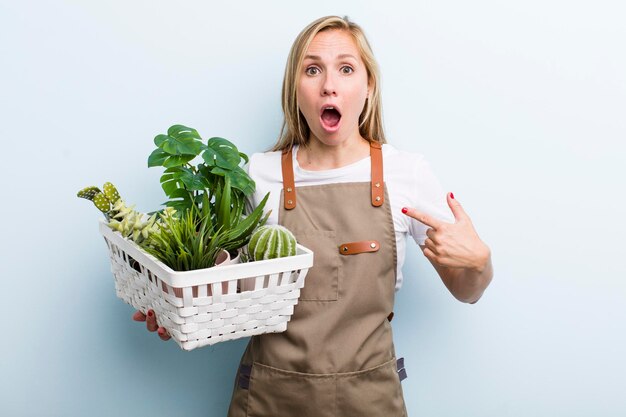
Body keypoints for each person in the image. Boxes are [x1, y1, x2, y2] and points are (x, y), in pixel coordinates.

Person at [134, 15, 493, 416]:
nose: (329, 85)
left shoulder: (405, 174)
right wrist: (177, 310)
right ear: (296, 89)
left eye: (346, 68)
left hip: (370, 400)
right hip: (269, 399)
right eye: (312, 69)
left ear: (368, 87)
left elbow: (468, 290)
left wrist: (479, 263)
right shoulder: (256, 175)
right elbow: (220, 284)